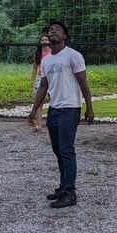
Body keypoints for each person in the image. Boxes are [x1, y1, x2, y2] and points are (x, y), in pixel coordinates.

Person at [31, 21, 94, 209]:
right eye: (50, 30)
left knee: (66, 150)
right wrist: (34, 110)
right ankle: (63, 186)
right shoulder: (47, 60)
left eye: (57, 30)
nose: (53, 32)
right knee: (58, 151)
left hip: (70, 109)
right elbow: (43, 86)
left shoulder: (73, 56)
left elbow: (83, 83)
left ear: (64, 36)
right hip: (54, 109)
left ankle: (70, 193)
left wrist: (89, 107)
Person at [27, 34, 51, 131]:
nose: (44, 41)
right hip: (40, 78)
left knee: (53, 101)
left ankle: (51, 122)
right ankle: (39, 124)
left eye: (46, 39)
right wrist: (32, 79)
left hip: (52, 78)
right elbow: (34, 68)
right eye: (42, 40)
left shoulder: (53, 52)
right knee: (39, 102)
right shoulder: (37, 53)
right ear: (40, 42)